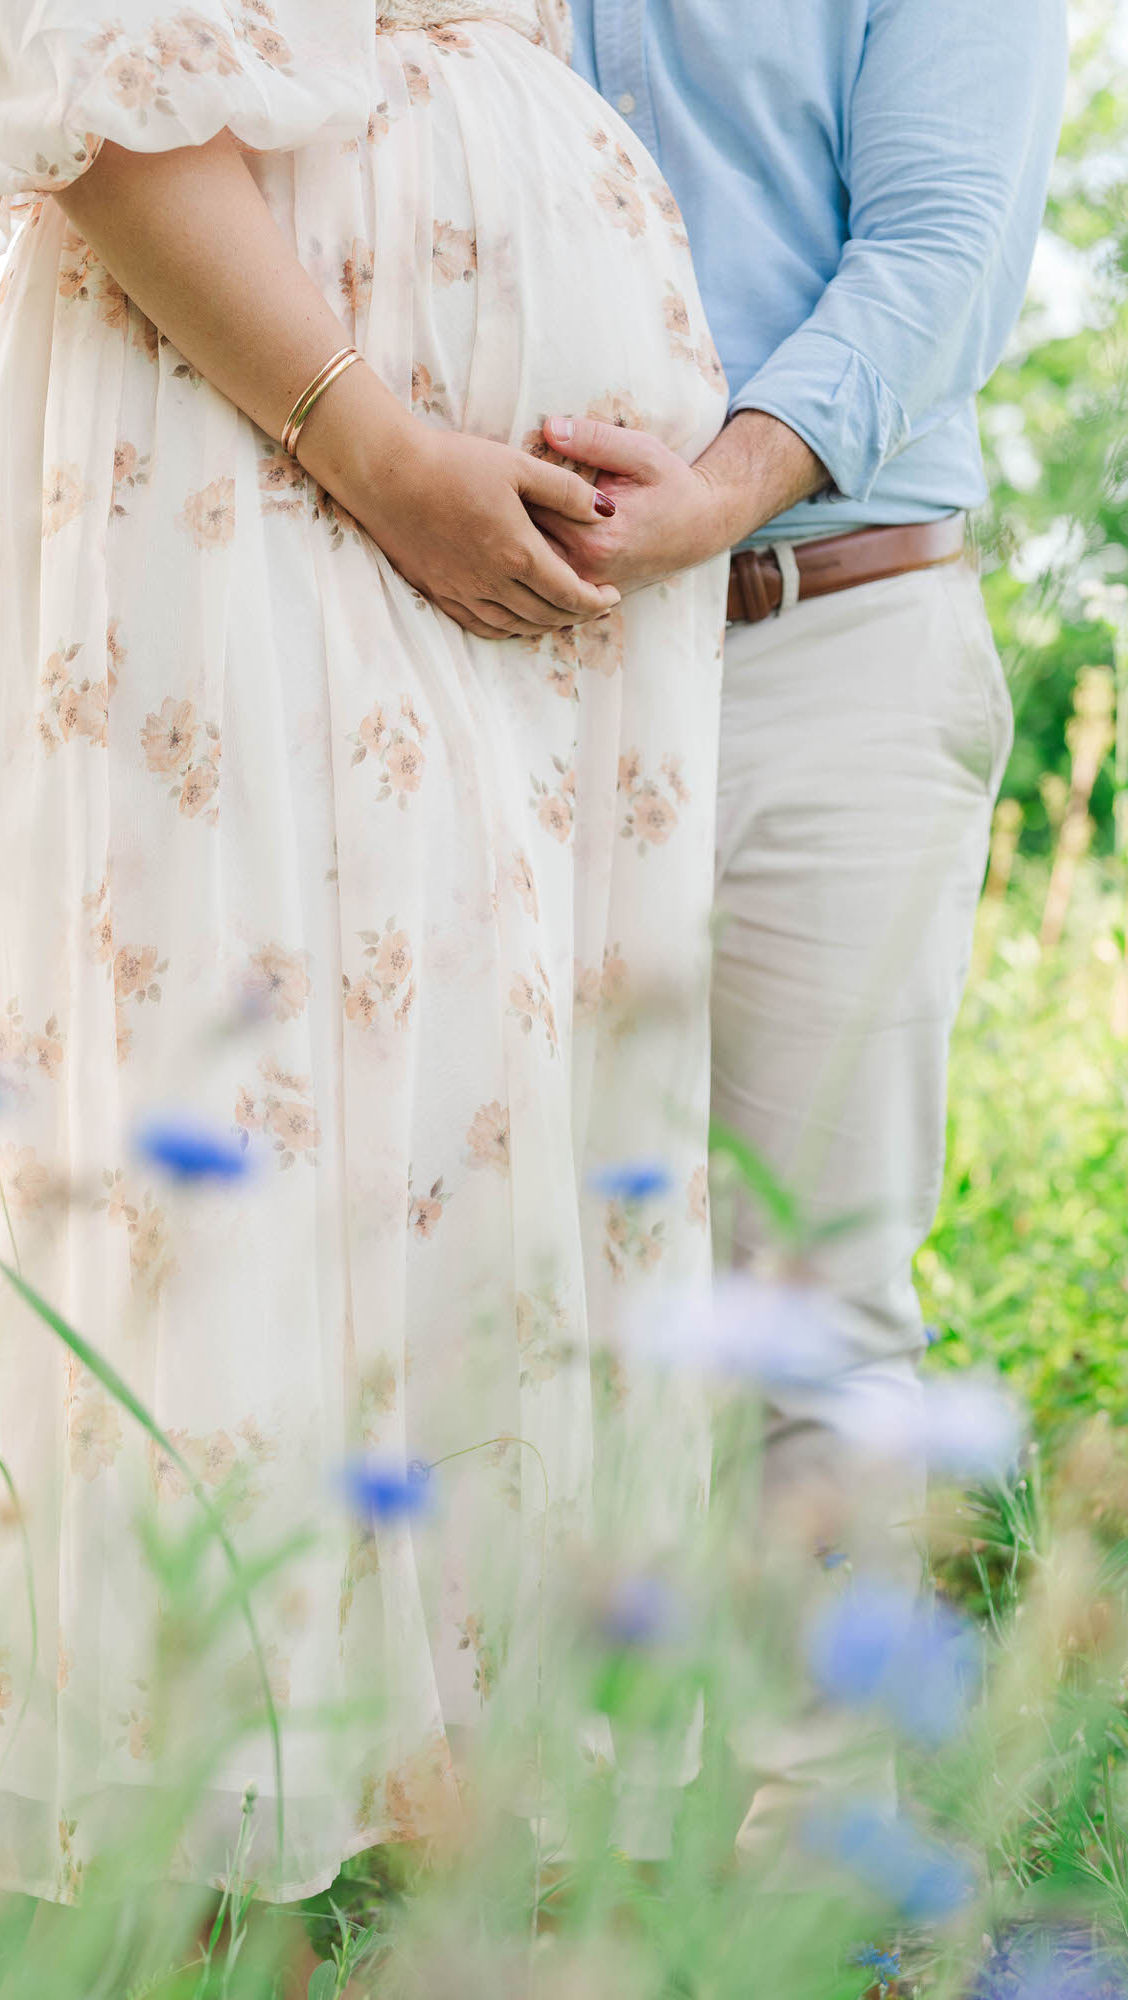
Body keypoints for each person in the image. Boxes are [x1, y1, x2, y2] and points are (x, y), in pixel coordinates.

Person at [0, 0, 728, 1916]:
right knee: (232, 1136)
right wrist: (378, 440)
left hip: (509, 530)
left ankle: (446, 1888)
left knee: (476, 1162)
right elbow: (92, 62)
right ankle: (218, 1902)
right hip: (254, 417)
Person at [544, 0, 1068, 1855]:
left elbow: (942, 249)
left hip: (818, 638)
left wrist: (714, 491)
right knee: (496, 1249)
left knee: (809, 1285)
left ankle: (806, 1872)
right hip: (499, 659)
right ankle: (529, 1840)